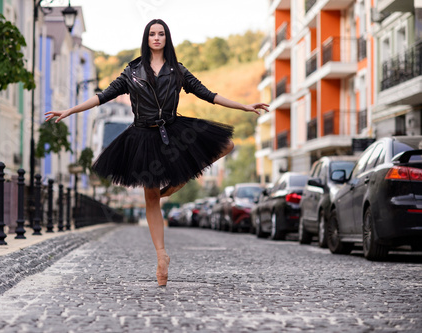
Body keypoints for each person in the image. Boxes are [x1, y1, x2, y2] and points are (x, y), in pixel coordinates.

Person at [45, 19, 269, 287]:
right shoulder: (132, 72)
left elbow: (208, 95)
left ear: (167, 38)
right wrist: (70, 110)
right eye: (152, 33)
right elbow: (102, 97)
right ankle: (162, 258)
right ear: (146, 38)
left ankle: (181, 178)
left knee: (227, 145)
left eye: (161, 33)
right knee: (151, 198)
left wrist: (243, 106)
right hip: (142, 137)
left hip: (173, 130)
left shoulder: (177, 70)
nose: (157, 37)